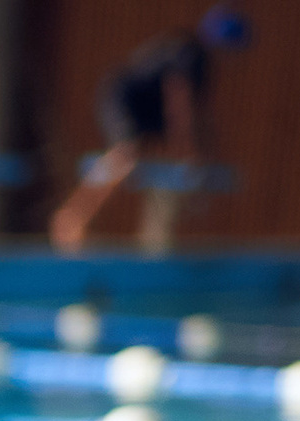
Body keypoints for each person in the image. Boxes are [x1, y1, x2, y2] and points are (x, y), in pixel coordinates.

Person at [51, 6, 249, 253]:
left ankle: (153, 239)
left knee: (155, 164)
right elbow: (179, 108)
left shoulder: (200, 62)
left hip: (146, 110)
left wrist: (201, 154)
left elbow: (200, 118)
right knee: (126, 155)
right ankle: (72, 218)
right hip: (124, 98)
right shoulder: (188, 54)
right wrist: (188, 152)